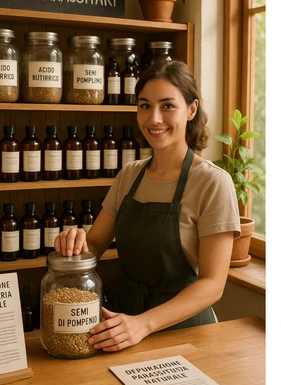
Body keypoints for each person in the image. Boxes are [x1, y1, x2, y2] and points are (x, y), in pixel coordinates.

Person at [54, 60, 241, 352]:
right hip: (123, 323)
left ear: (191, 110)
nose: (154, 119)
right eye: (144, 106)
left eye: (167, 106)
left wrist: (144, 324)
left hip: (186, 332)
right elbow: (94, 245)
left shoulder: (212, 183)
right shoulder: (129, 175)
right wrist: (74, 243)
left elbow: (213, 284)